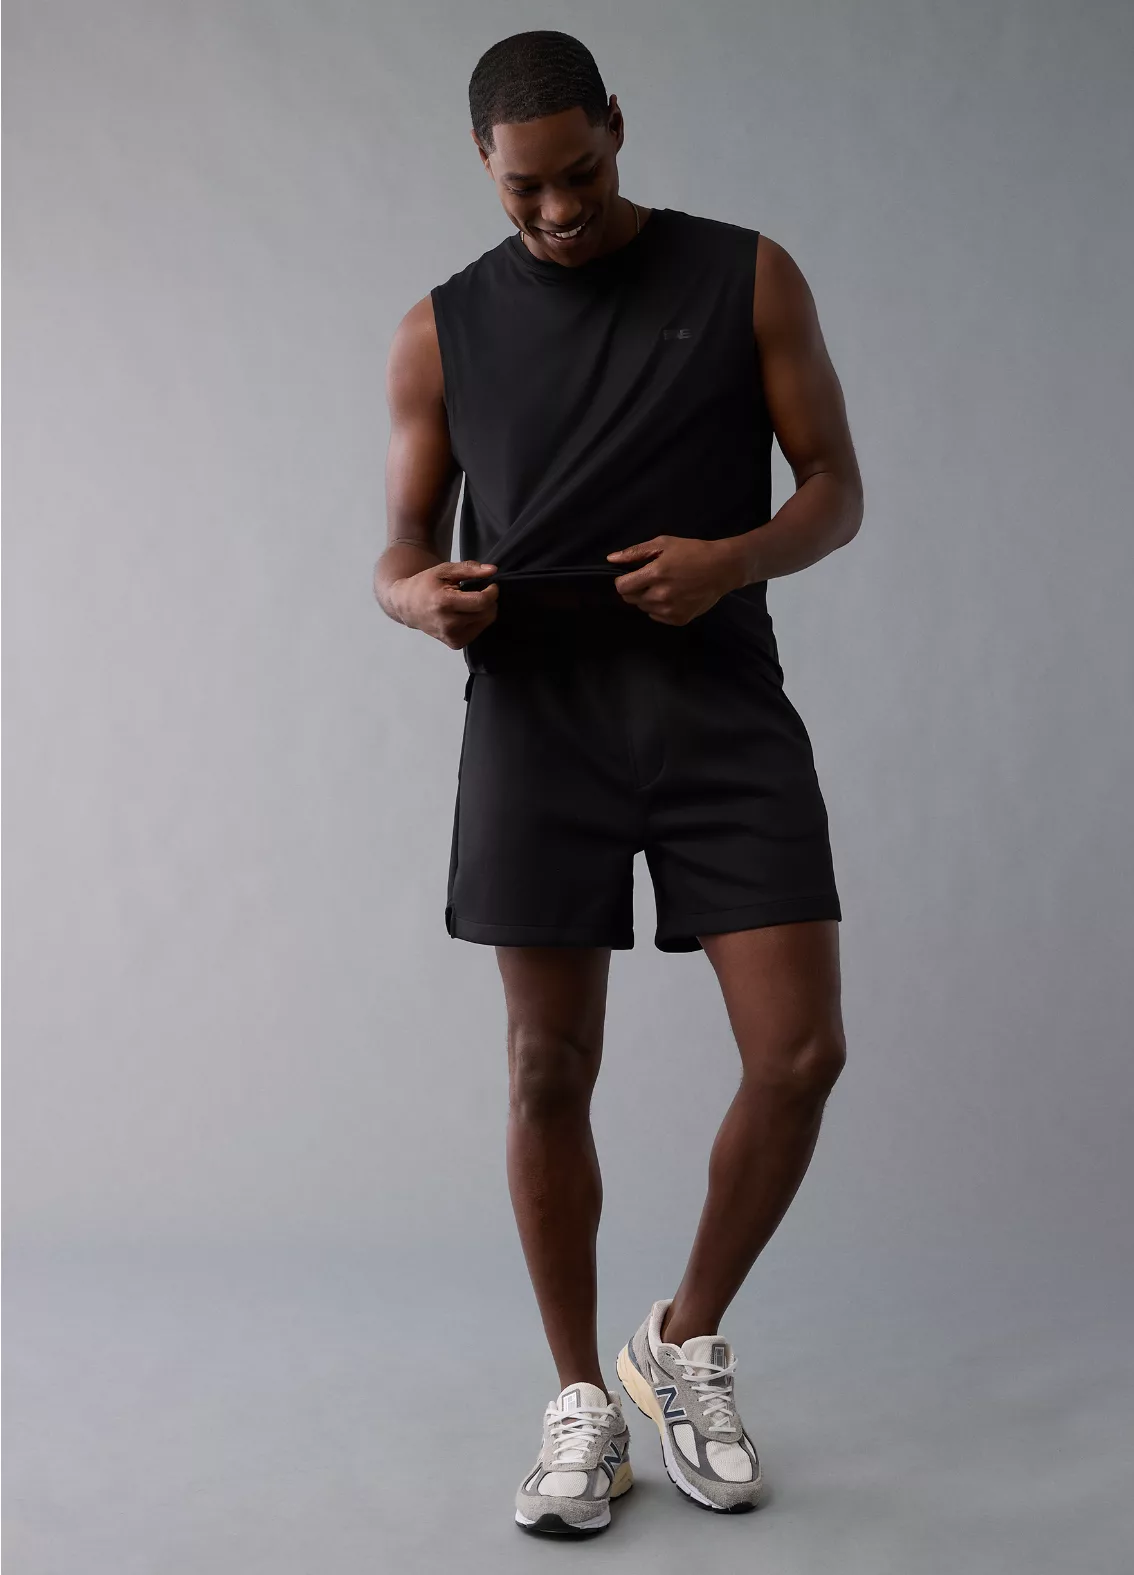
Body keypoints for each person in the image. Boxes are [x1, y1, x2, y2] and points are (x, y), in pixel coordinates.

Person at [373, 29, 863, 1538]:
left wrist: (735, 559)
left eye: (579, 174)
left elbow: (835, 489)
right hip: (538, 727)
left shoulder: (747, 275)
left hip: (718, 712)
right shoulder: (439, 329)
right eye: (525, 188)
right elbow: (398, 548)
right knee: (546, 1069)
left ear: (617, 130)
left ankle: (679, 1341)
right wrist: (415, 599)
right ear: (484, 166)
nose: (559, 211)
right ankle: (580, 1397)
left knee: (799, 1054)